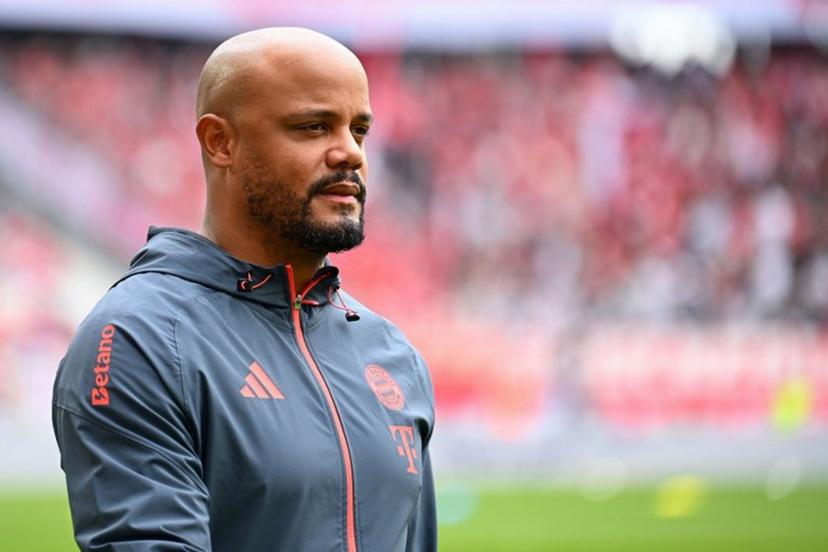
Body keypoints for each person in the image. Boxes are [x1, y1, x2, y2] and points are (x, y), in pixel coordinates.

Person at [52, 27, 436, 552]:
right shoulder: (140, 339)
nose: (350, 153)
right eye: (313, 126)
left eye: (359, 130)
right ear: (220, 142)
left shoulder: (391, 353)